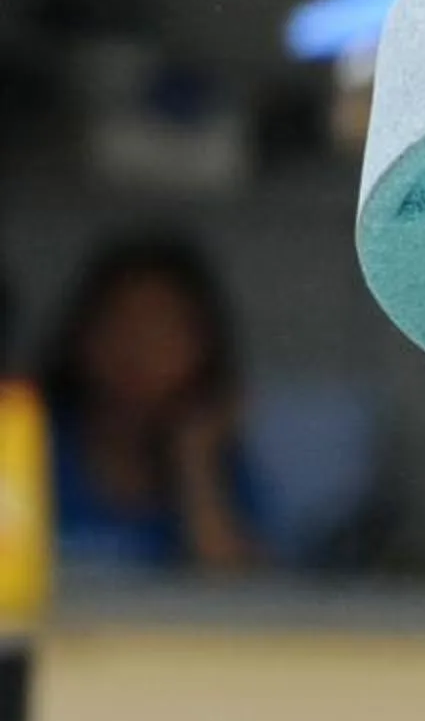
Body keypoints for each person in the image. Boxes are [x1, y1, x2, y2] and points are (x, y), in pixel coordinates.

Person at [38, 235, 262, 572]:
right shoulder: (32, 448)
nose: (137, 351)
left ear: (203, 348)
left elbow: (244, 596)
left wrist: (196, 466)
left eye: (162, 330)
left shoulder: (223, 472)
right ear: (81, 335)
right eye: (120, 324)